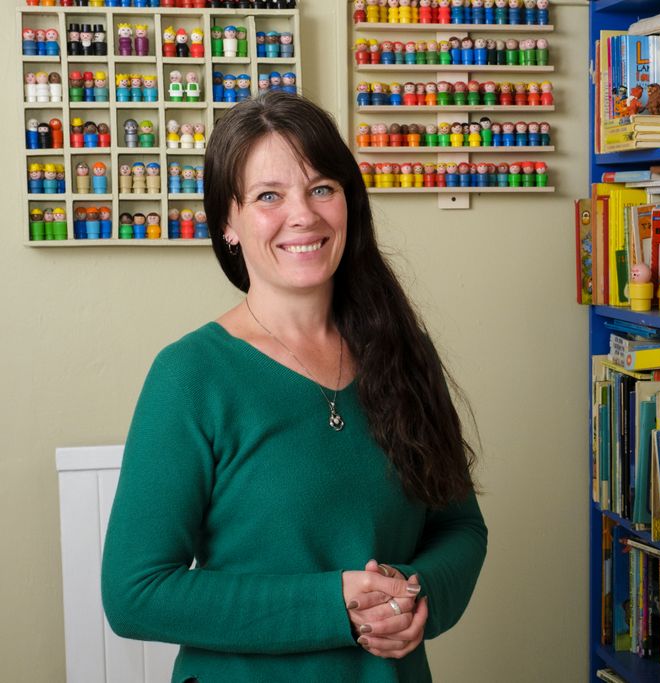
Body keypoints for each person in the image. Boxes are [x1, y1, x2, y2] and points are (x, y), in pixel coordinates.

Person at [101, 92, 487, 682]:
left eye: (321, 188)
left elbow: (460, 527)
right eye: (268, 196)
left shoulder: (405, 352)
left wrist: (418, 594)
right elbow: (135, 593)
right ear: (227, 223)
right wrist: (333, 605)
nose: (303, 215)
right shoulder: (190, 375)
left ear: (349, 203)